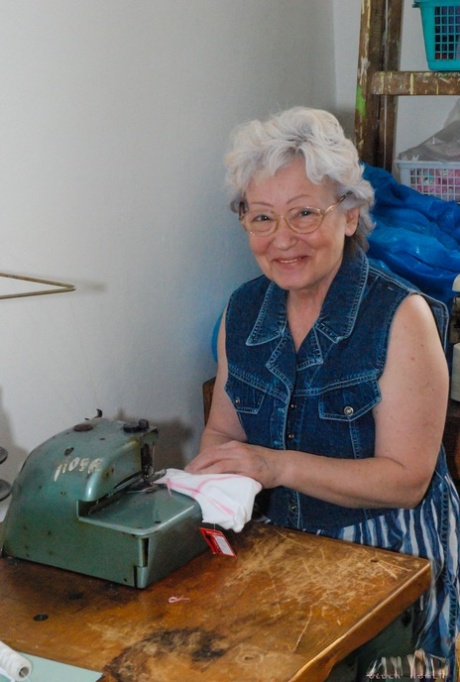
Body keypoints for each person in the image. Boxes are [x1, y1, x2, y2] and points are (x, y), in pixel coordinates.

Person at [186, 107, 460, 679]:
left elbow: (407, 480)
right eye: (261, 217)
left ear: (351, 215)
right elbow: (223, 431)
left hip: (387, 564)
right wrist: (205, 486)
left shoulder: (400, 316)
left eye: (304, 214)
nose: (282, 239)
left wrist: (274, 465)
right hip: (273, 551)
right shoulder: (243, 311)